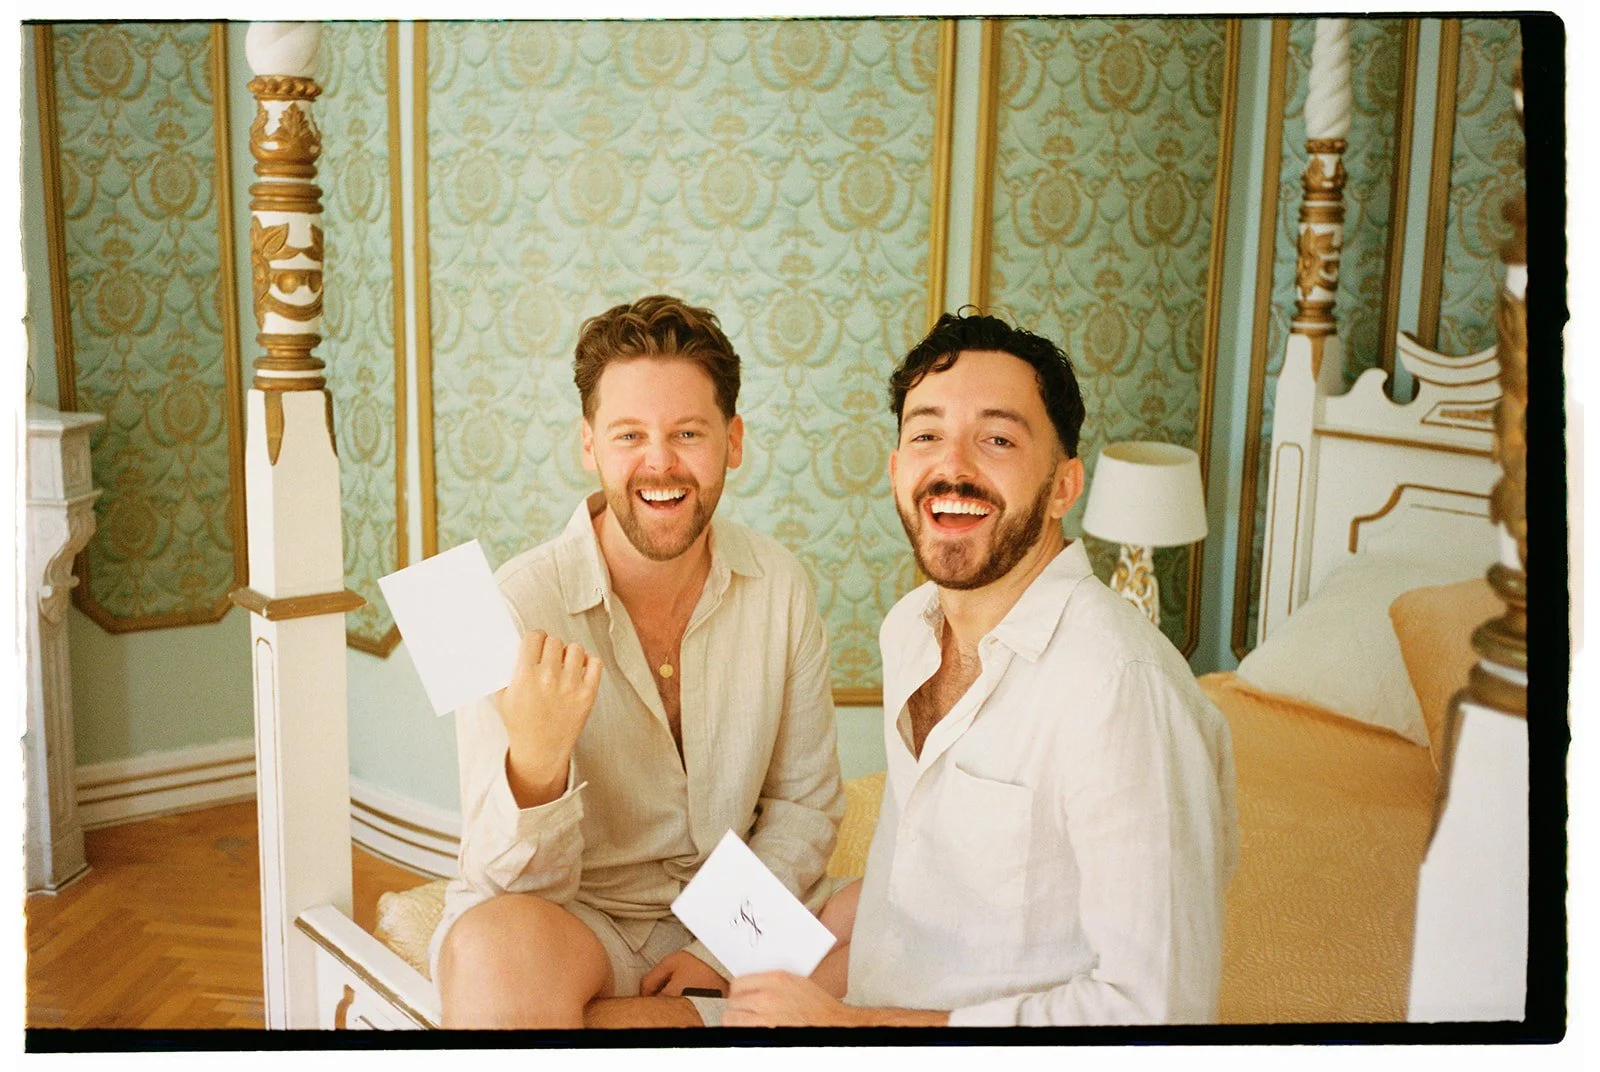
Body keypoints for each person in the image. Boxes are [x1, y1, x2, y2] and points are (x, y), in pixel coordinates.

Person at [723, 311, 1238, 1027]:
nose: (953, 466)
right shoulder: (909, 627)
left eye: (997, 440)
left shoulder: (1120, 690)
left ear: (1064, 486)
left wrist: (852, 1031)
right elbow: (926, 874)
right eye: (927, 435)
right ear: (897, 468)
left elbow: (1158, 1014)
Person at [432, 295, 845, 1029]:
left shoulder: (781, 583)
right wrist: (537, 762)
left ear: (733, 441)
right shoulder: (506, 605)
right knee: (488, 951)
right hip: (583, 920)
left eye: (688, 433)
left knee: (890, 910)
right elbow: (498, 880)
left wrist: (719, 945)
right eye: (630, 435)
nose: (660, 462)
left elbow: (804, 805)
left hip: (733, 915)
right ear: (589, 446)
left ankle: (656, 1024)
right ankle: (692, 1024)